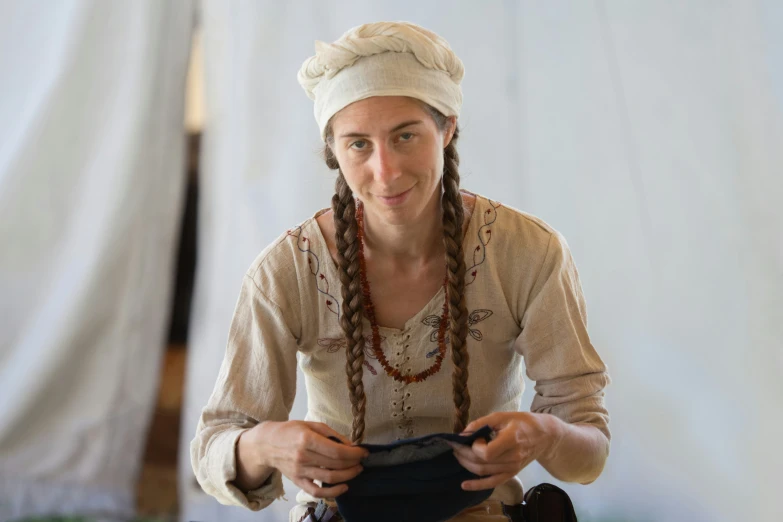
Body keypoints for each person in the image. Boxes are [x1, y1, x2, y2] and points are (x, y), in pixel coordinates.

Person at [191, 21, 611, 522]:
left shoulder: (528, 253)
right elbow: (213, 448)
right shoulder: (288, 270)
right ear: (334, 152)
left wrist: (545, 433)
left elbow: (589, 449)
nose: (385, 171)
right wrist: (265, 445)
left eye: (405, 135)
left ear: (447, 128)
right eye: (358, 144)